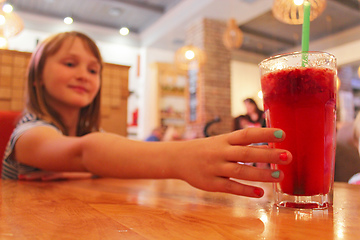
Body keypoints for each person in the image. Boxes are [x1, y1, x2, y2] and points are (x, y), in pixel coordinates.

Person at [1, 31, 292, 198]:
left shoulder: (89, 132)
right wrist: (180, 156)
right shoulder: (28, 133)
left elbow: (100, 155)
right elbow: (84, 152)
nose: (83, 75)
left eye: (93, 70)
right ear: (37, 76)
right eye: (69, 63)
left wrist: (89, 168)